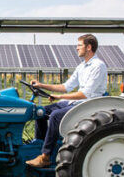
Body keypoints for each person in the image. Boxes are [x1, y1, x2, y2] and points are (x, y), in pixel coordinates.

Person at [25, 34, 108, 168]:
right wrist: (41, 85)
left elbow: (85, 94)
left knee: (55, 116)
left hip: (89, 104)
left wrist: (59, 97)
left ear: (89, 47)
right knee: (40, 111)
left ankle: (45, 156)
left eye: (79, 45)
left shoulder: (98, 66)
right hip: (76, 103)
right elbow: (65, 87)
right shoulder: (82, 66)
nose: (76, 48)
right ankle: (40, 145)